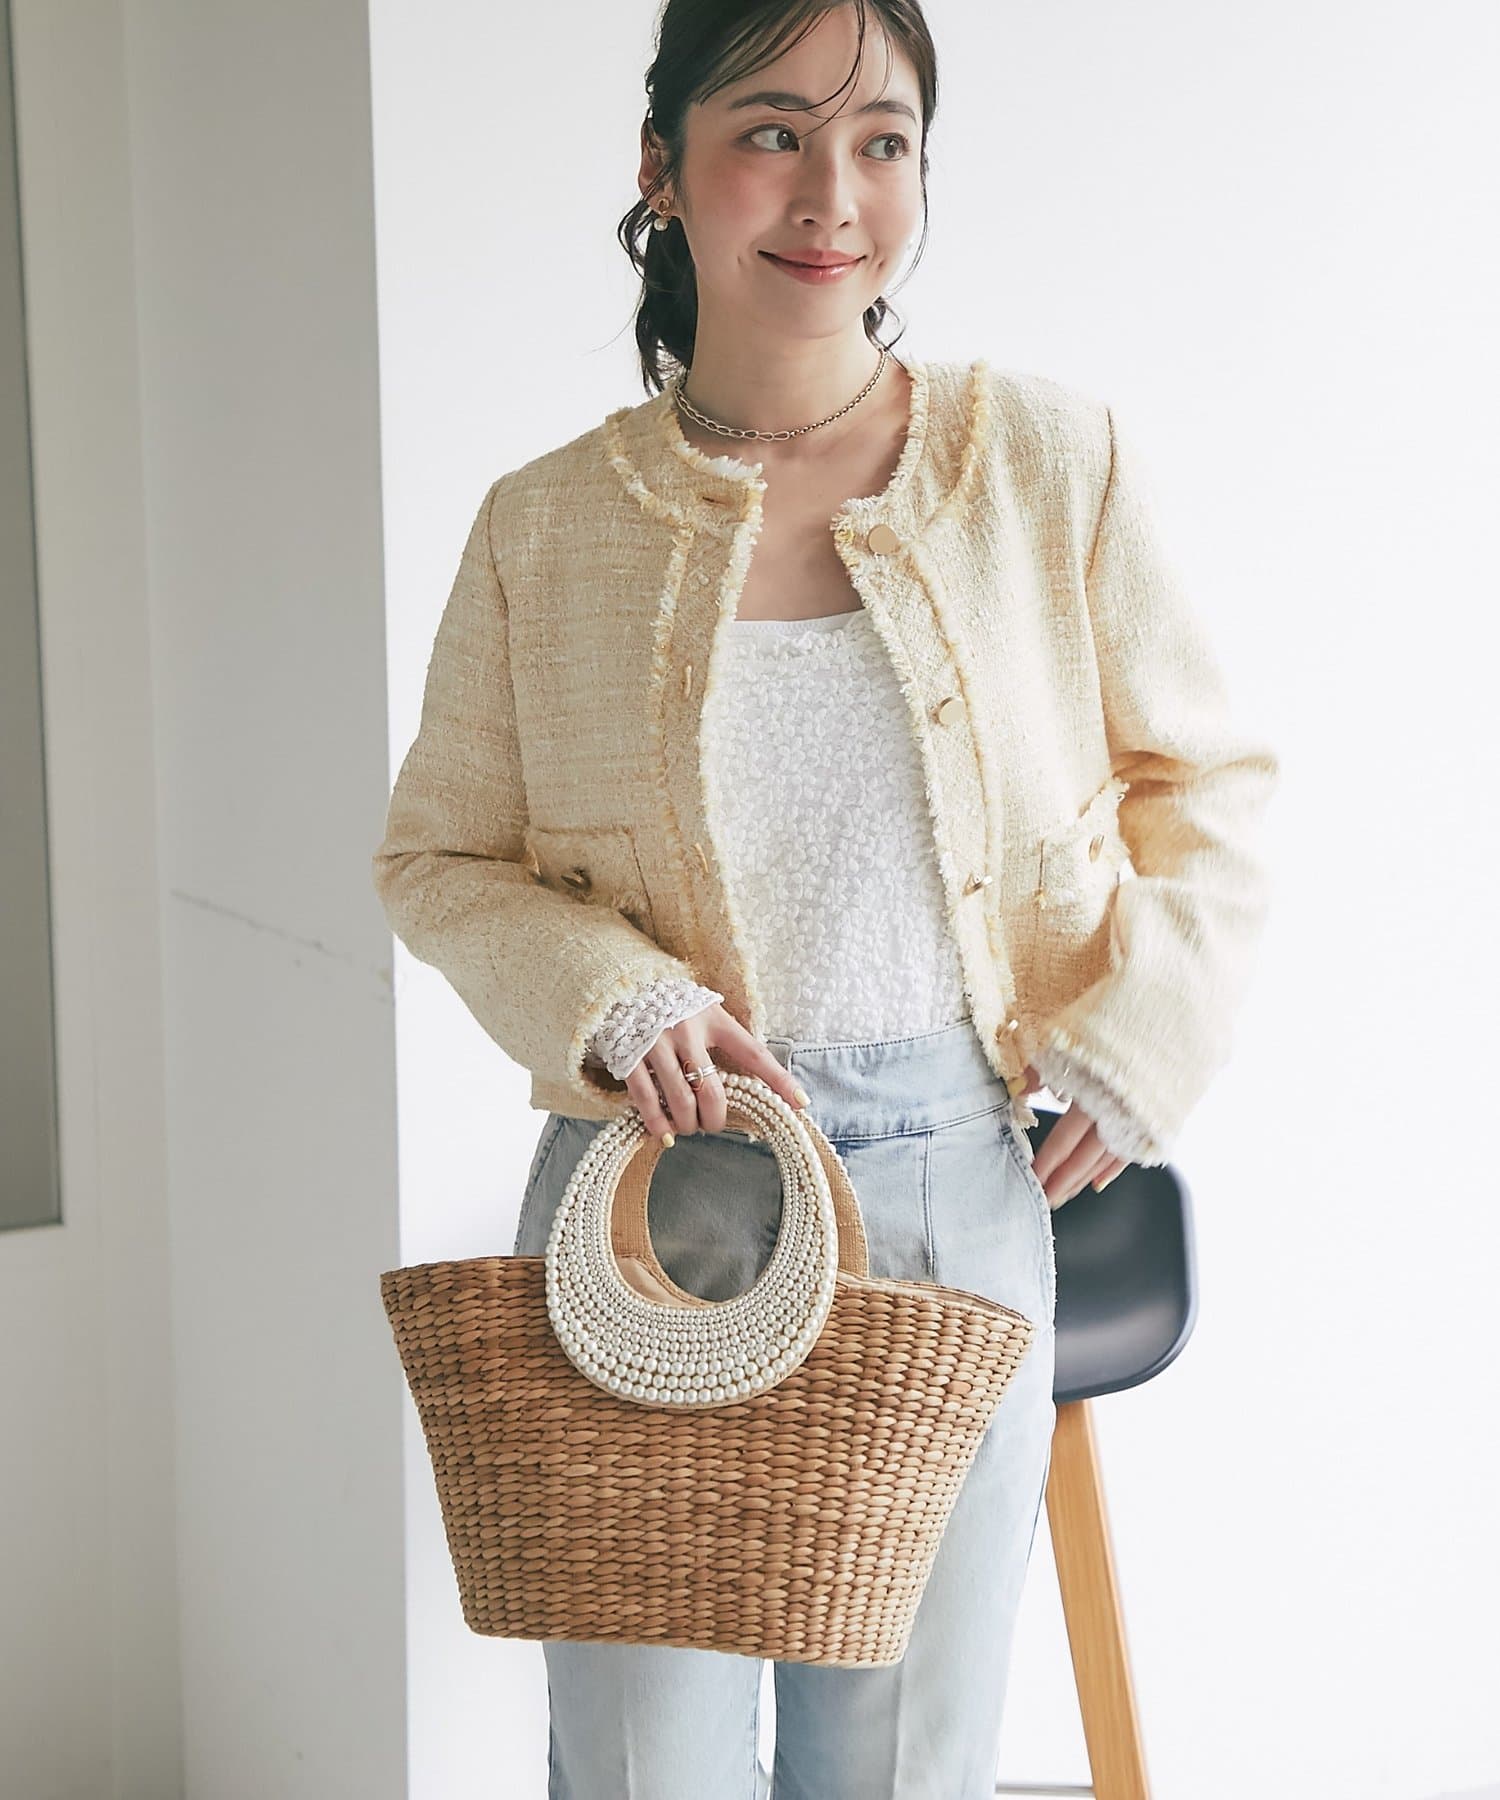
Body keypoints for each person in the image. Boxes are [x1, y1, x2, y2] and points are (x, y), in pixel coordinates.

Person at [371, 3, 1280, 1794]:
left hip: (954, 1194)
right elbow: (439, 856)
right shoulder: (544, 526)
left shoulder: (1044, 464)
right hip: (654, 1208)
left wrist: (1138, 1046)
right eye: (772, 132)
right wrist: (617, 996)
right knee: (646, 1764)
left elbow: (1213, 786)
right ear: (662, 167)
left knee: (904, 1764)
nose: (831, 195)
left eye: (883, 141)